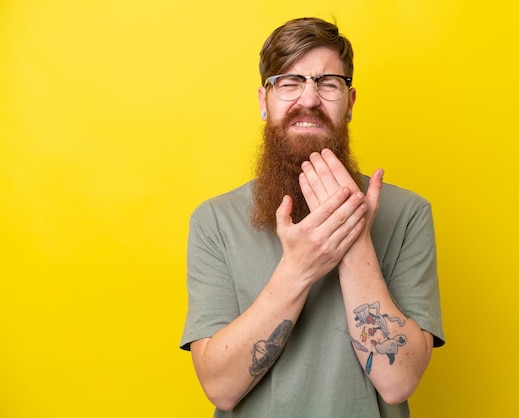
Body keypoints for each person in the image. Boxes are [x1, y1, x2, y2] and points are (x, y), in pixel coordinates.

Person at [180, 17, 445, 417]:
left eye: (327, 83)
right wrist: (299, 267)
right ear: (263, 101)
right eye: (289, 82)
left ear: (350, 102)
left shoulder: (408, 214)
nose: (308, 99)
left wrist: (354, 238)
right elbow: (221, 388)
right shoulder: (214, 221)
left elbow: (398, 382)